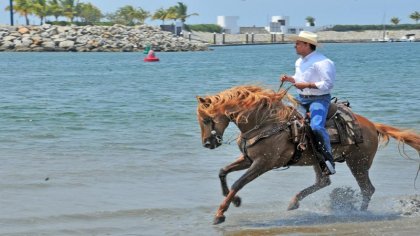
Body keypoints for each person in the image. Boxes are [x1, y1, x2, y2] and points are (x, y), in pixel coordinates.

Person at [280, 31, 336, 175]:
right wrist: (290, 79)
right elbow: (300, 79)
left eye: (298, 44)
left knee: (316, 127)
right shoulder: (299, 62)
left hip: (319, 99)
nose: (295, 46)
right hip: (301, 98)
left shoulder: (323, 62)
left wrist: (307, 85)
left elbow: (328, 84)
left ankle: (328, 159)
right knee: (281, 119)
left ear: (307, 45)